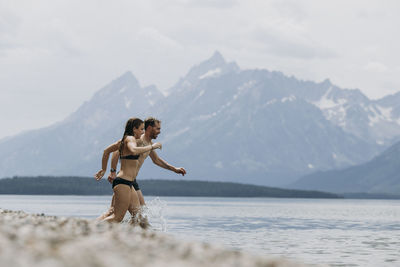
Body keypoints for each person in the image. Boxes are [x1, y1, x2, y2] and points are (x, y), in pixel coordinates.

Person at [100, 117, 186, 223]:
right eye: (158, 129)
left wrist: (174, 169)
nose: (160, 131)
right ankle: (88, 228)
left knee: (136, 217)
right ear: (150, 128)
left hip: (131, 181)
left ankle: (128, 235)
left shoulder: (148, 143)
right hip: (124, 179)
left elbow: (156, 160)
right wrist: (112, 171)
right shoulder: (137, 140)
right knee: (128, 216)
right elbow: (117, 150)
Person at [94, 117, 162, 223]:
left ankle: (128, 237)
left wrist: (103, 169)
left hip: (129, 184)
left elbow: (106, 151)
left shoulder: (125, 140)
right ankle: (89, 228)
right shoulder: (130, 139)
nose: (143, 132)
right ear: (134, 129)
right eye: (141, 129)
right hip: (123, 182)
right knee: (117, 217)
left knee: (138, 218)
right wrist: (152, 147)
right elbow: (134, 150)